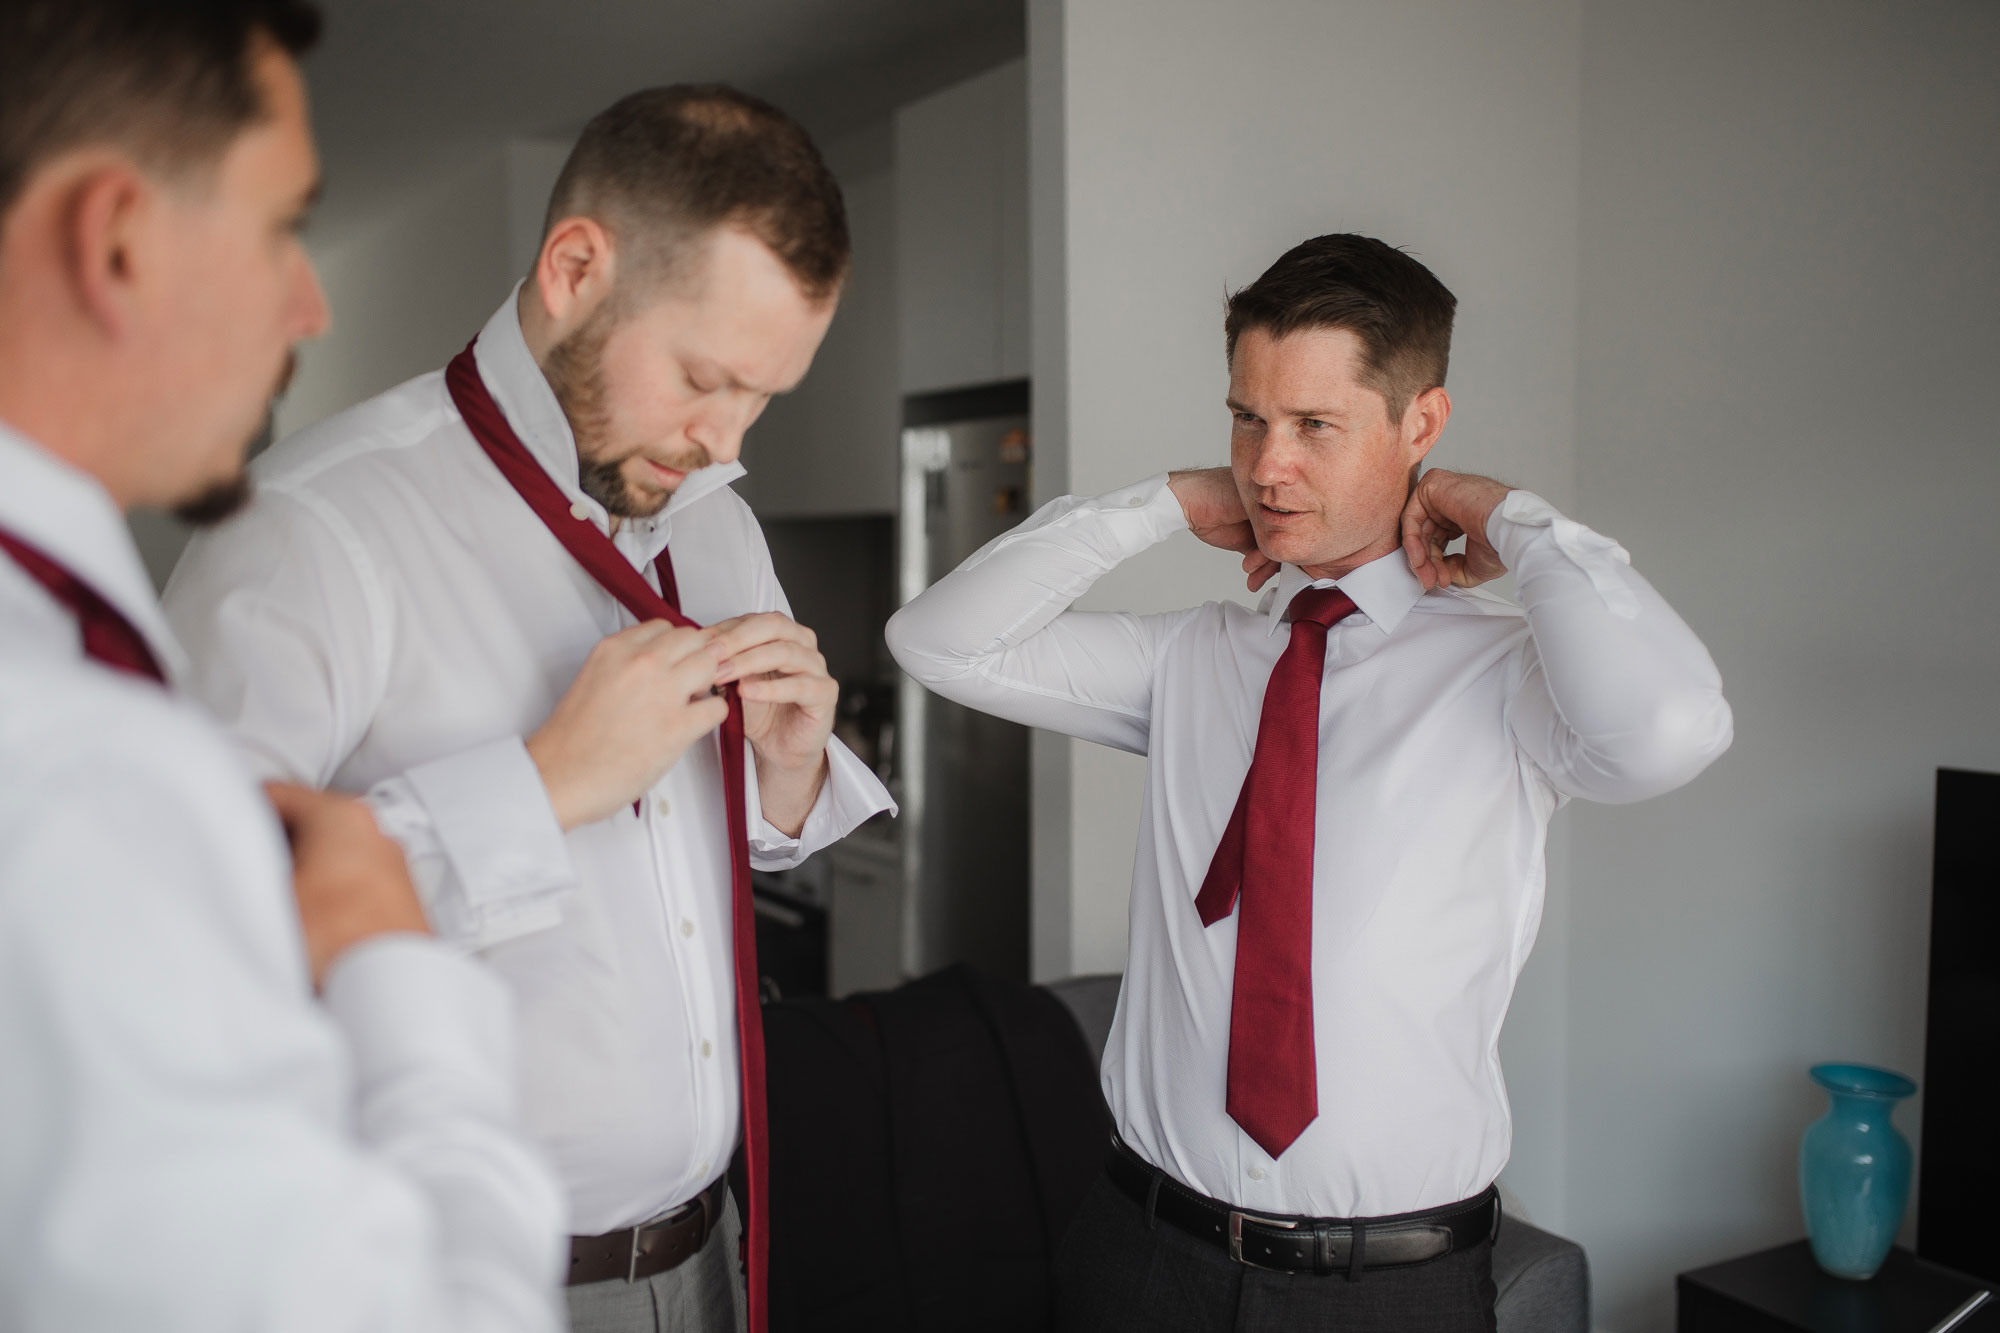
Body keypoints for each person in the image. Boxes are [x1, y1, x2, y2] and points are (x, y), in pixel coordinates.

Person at [886, 233, 1734, 1331]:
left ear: (1417, 424)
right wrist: (1157, 506)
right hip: (1137, 1258)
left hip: (1387, 1290)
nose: (1265, 463)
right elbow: (937, 642)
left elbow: (1668, 727)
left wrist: (1506, 518)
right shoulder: (1190, 657)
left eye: (1313, 425)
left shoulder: (1510, 675)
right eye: (1247, 419)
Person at [164, 84, 895, 1333]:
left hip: (711, 1258)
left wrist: (778, 778)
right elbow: (178, 941)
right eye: (705, 379)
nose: (727, 442)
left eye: (762, 397)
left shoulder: (710, 518)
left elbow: (679, 865)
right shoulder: (309, 532)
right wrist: (542, 782)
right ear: (573, 268)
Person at [0, 2, 567, 1330]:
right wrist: (395, 974)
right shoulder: (82, 767)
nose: (306, 303)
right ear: (119, 237)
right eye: (281, 226)